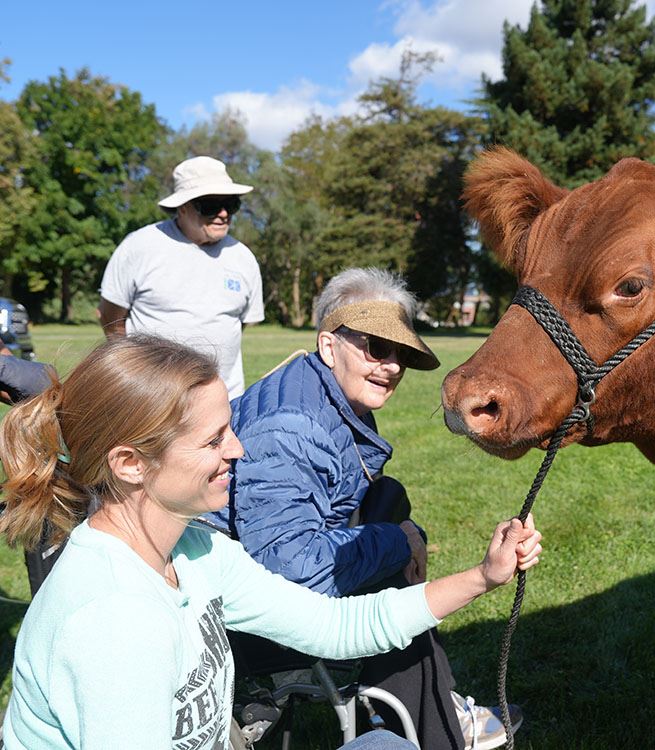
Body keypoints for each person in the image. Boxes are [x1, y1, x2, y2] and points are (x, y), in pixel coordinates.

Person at [0, 335, 541, 750]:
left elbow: (338, 627)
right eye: (214, 440)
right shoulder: (116, 621)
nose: (238, 449)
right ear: (130, 463)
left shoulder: (197, 552)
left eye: (229, 428)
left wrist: (482, 576)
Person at [204, 268, 521, 749]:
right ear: (330, 346)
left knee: (387, 502)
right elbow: (290, 571)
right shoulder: (291, 426)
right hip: (243, 620)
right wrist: (397, 543)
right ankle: (437, 724)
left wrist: (397, 531)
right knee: (387, 563)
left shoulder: (322, 391)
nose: (391, 365)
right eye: (376, 347)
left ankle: (427, 703)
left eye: (401, 354)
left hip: (263, 571)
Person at [98, 156, 264, 398]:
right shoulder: (140, 246)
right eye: (210, 206)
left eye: (231, 204)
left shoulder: (243, 257)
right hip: (154, 401)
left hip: (225, 402)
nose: (223, 213)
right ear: (183, 207)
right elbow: (111, 317)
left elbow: (238, 325)